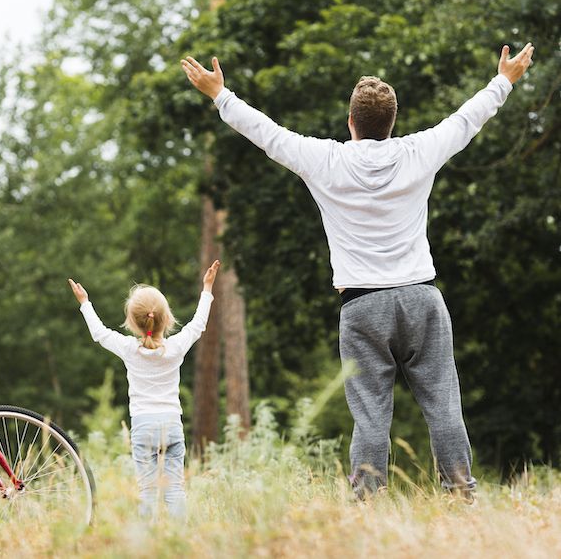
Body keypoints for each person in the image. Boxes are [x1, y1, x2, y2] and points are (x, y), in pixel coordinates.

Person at [181, 43, 534, 498]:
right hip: (422, 299)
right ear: (392, 123)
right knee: (445, 406)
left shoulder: (325, 159)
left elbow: (268, 134)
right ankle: (462, 495)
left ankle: (367, 500)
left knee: (370, 414)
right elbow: (467, 119)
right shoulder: (417, 151)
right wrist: (504, 80)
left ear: (351, 123)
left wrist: (221, 95)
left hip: (363, 306)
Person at [68, 260, 221, 518]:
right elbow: (197, 325)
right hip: (172, 424)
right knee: (175, 490)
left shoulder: (129, 349)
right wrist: (207, 289)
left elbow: (100, 334)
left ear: (133, 322)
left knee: (147, 492)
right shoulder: (175, 348)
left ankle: (145, 543)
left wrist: (85, 303)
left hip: (142, 427)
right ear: (167, 317)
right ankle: (179, 542)